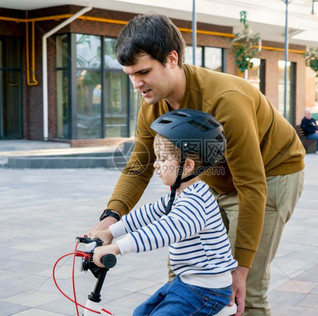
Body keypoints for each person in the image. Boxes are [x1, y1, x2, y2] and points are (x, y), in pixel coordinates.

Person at [90, 13, 305, 316]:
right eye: (129, 74)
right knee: (183, 281)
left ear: (172, 58)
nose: (136, 83)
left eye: (143, 72)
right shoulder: (152, 103)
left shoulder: (226, 100)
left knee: (244, 293)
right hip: (208, 176)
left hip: (271, 173)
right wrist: (110, 221)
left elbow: (251, 186)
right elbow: (138, 166)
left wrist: (241, 269)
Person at [92, 109, 238, 315]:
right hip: (187, 282)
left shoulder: (196, 202)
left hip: (207, 290)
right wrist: (111, 231)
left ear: (187, 166)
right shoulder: (179, 194)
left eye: (162, 158)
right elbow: (149, 213)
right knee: (140, 313)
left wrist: (116, 248)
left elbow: (163, 230)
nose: (155, 164)